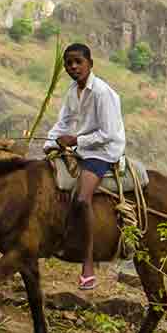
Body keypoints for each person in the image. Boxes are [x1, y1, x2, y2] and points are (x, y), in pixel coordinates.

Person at [41, 42, 126, 290]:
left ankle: (88, 264)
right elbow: (63, 122)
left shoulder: (102, 93)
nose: (73, 67)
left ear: (90, 64)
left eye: (78, 62)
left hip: (103, 151)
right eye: (69, 63)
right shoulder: (72, 91)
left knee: (81, 198)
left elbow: (108, 134)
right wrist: (50, 143)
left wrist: (76, 140)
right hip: (81, 148)